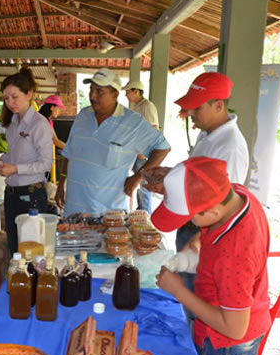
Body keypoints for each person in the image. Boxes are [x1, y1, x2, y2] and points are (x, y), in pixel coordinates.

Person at [153, 157, 270, 355]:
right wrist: (193, 249)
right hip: (240, 312)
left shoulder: (234, 255)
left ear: (212, 211)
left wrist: (179, 291)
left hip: (225, 340)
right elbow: (211, 228)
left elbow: (234, 327)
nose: (189, 224)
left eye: (190, 218)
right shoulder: (235, 194)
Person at [144, 72, 249, 252]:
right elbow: (201, 177)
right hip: (191, 220)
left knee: (192, 278)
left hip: (204, 232)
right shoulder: (207, 132)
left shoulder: (230, 147)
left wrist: (198, 242)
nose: (190, 113)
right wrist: (170, 175)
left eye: (197, 108)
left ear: (218, 106)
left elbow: (223, 205)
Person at [55, 68, 170, 216]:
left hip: (108, 216)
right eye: (91, 90)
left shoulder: (132, 122)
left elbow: (162, 148)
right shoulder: (83, 115)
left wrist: (137, 177)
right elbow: (70, 152)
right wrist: (61, 184)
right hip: (74, 210)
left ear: (115, 94)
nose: (92, 96)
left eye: (99, 92)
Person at [0, 68, 52, 254]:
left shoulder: (39, 124)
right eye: (6, 98)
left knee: (31, 249)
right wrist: (2, 162)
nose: (10, 103)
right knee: (14, 247)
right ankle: (16, 282)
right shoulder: (13, 124)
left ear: (29, 94)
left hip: (31, 195)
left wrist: (16, 169)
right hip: (12, 194)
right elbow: (14, 155)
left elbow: (45, 163)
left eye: (14, 97)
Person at [122, 80, 160, 215]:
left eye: (128, 92)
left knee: (144, 185)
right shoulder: (136, 107)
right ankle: (141, 210)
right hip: (136, 151)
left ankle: (146, 214)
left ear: (135, 91)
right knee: (138, 182)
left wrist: (145, 151)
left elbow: (154, 129)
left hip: (143, 154)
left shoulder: (147, 107)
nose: (126, 95)